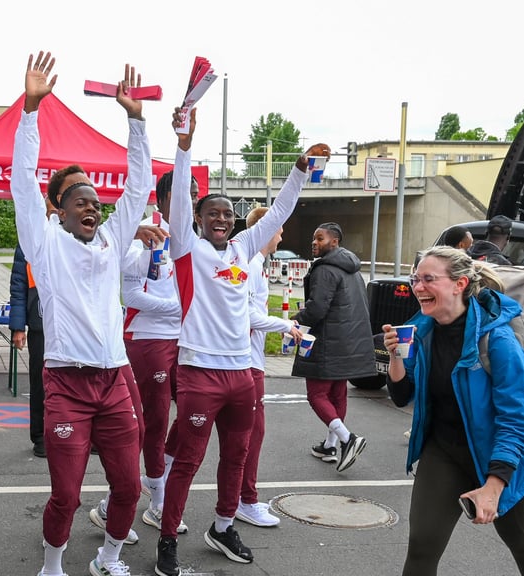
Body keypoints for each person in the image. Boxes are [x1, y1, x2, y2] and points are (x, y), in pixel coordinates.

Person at [155, 101, 328, 576]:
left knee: (236, 456)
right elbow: (180, 201)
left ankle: (223, 526)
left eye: (228, 214)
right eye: (212, 213)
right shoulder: (186, 249)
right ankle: (166, 539)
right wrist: (184, 146)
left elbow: (280, 210)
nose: (222, 218)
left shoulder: (243, 247)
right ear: (197, 218)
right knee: (188, 461)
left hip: (240, 375)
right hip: (199, 372)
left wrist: (300, 170)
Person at [12, 51, 150, 576]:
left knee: (128, 486)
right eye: (80, 202)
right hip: (67, 384)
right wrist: (30, 110)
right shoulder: (45, 245)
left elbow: (137, 187)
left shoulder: (112, 242)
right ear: (59, 210)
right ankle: (52, 565)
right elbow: (22, 183)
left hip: (113, 382)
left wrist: (136, 122)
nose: (92, 207)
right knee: (66, 494)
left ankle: (108, 558)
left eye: (96, 202)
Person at [382, 246, 524, 576]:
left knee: (520, 540)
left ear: (460, 284)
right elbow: (401, 395)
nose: (418, 287)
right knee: (422, 545)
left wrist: (494, 486)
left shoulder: (497, 340)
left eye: (428, 279)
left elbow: (518, 419)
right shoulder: (423, 332)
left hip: (504, 454)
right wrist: (396, 356)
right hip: (445, 450)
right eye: (415, 279)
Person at [116, 169, 192, 536]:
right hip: (147, 339)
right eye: (182, 194)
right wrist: (178, 309)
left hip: (184, 339)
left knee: (194, 411)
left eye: (193, 194)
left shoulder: (190, 238)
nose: (189, 200)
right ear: (162, 198)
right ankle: (157, 502)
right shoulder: (146, 234)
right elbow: (131, 296)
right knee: (156, 419)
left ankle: (154, 474)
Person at [237, 206, 302, 527]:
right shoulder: (250, 264)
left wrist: (281, 326)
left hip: (251, 360)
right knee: (251, 434)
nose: (282, 234)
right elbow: (245, 315)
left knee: (247, 435)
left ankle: (240, 498)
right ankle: (244, 500)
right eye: (279, 228)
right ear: (266, 228)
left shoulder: (256, 264)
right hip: (246, 363)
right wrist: (284, 325)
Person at [292, 222, 374, 472]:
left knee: (317, 395)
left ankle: (348, 439)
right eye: (314, 238)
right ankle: (329, 445)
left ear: (334, 242)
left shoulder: (325, 269)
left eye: (320, 239)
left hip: (327, 340)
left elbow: (317, 309)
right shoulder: (353, 268)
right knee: (338, 394)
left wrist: (294, 321)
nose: (314, 243)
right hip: (350, 340)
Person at [9, 240, 46, 458]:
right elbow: (18, 284)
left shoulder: (76, 232)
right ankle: (41, 436)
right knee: (40, 382)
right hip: (39, 324)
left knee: (80, 380)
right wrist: (17, 327)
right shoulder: (27, 241)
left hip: (74, 325)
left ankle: (87, 434)